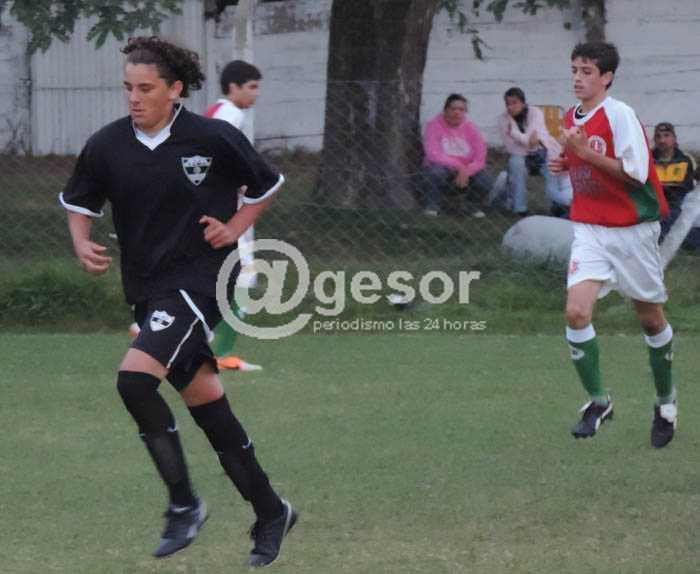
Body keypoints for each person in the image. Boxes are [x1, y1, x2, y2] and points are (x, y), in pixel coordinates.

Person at [59, 37, 296, 566]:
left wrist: (234, 227)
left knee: (134, 381)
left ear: (175, 90)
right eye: (128, 88)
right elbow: (78, 201)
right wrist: (80, 240)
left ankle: (185, 504)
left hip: (201, 281)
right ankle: (271, 510)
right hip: (148, 288)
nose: (134, 98)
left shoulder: (212, 137)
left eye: (146, 88)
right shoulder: (107, 145)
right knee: (209, 407)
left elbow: (266, 184)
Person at [548, 42, 676, 448]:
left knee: (651, 321)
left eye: (586, 71)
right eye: (574, 69)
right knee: (575, 312)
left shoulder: (620, 114)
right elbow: (582, 159)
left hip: (633, 230)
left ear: (606, 77)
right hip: (590, 229)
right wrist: (567, 161)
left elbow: (636, 174)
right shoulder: (571, 117)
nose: (577, 78)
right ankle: (599, 401)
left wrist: (584, 153)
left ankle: (666, 403)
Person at [204, 60, 263, 371]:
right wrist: (240, 181)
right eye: (251, 87)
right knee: (242, 277)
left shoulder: (216, 111)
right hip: (228, 213)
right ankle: (222, 354)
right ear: (233, 87)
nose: (256, 93)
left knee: (218, 277)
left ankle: (150, 324)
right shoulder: (230, 114)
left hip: (218, 209)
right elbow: (217, 153)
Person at [497, 87, 572, 216]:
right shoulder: (503, 119)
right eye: (507, 104)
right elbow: (512, 147)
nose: (510, 107)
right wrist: (529, 143)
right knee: (516, 163)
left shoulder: (535, 113)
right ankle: (520, 208)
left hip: (544, 153)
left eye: (514, 103)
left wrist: (514, 133)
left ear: (523, 103)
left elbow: (535, 140)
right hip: (521, 156)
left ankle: (556, 206)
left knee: (553, 167)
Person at [420, 94, 492, 218]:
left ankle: (471, 206)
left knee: (485, 179)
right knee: (436, 172)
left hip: (466, 169)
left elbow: (480, 157)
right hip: (443, 167)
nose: (457, 113)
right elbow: (433, 154)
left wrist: (467, 171)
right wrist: (460, 167)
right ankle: (432, 206)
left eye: (461, 110)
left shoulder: (471, 128)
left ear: (465, 112)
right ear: (445, 110)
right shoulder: (434, 125)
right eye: (453, 109)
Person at [652, 121, 700, 247]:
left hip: (677, 208)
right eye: (658, 136)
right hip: (654, 208)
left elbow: (692, 187)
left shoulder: (686, 160)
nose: (662, 140)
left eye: (666, 135)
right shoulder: (648, 160)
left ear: (674, 138)